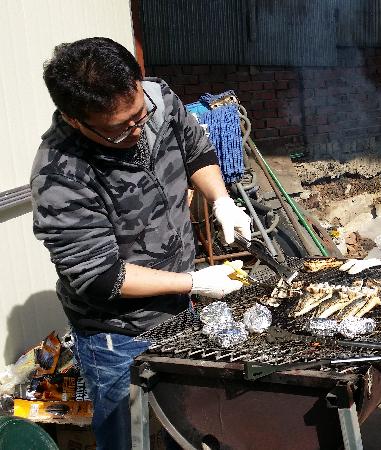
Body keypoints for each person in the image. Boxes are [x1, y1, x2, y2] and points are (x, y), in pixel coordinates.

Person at [31, 37, 252, 449]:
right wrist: (195, 282)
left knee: (185, 425)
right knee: (128, 439)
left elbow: (197, 151)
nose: (137, 131)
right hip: (117, 334)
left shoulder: (158, 99)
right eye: (119, 129)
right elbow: (100, 276)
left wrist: (222, 201)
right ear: (75, 120)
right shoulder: (61, 175)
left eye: (139, 116)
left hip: (179, 310)